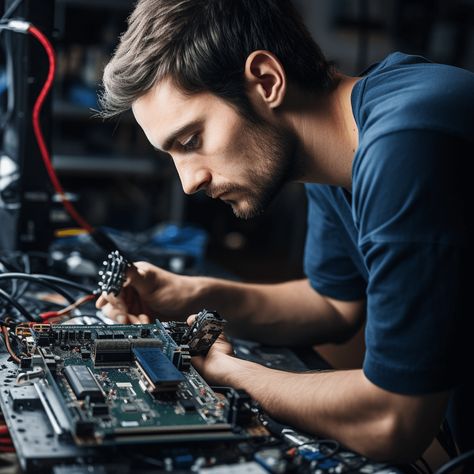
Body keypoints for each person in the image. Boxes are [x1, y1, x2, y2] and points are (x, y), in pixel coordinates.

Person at [97, 0, 474, 464]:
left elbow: (393, 420)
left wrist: (230, 374)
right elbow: (333, 304)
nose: (189, 181)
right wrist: (189, 293)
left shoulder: (408, 142)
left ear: (267, 81)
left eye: (192, 141)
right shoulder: (343, 144)